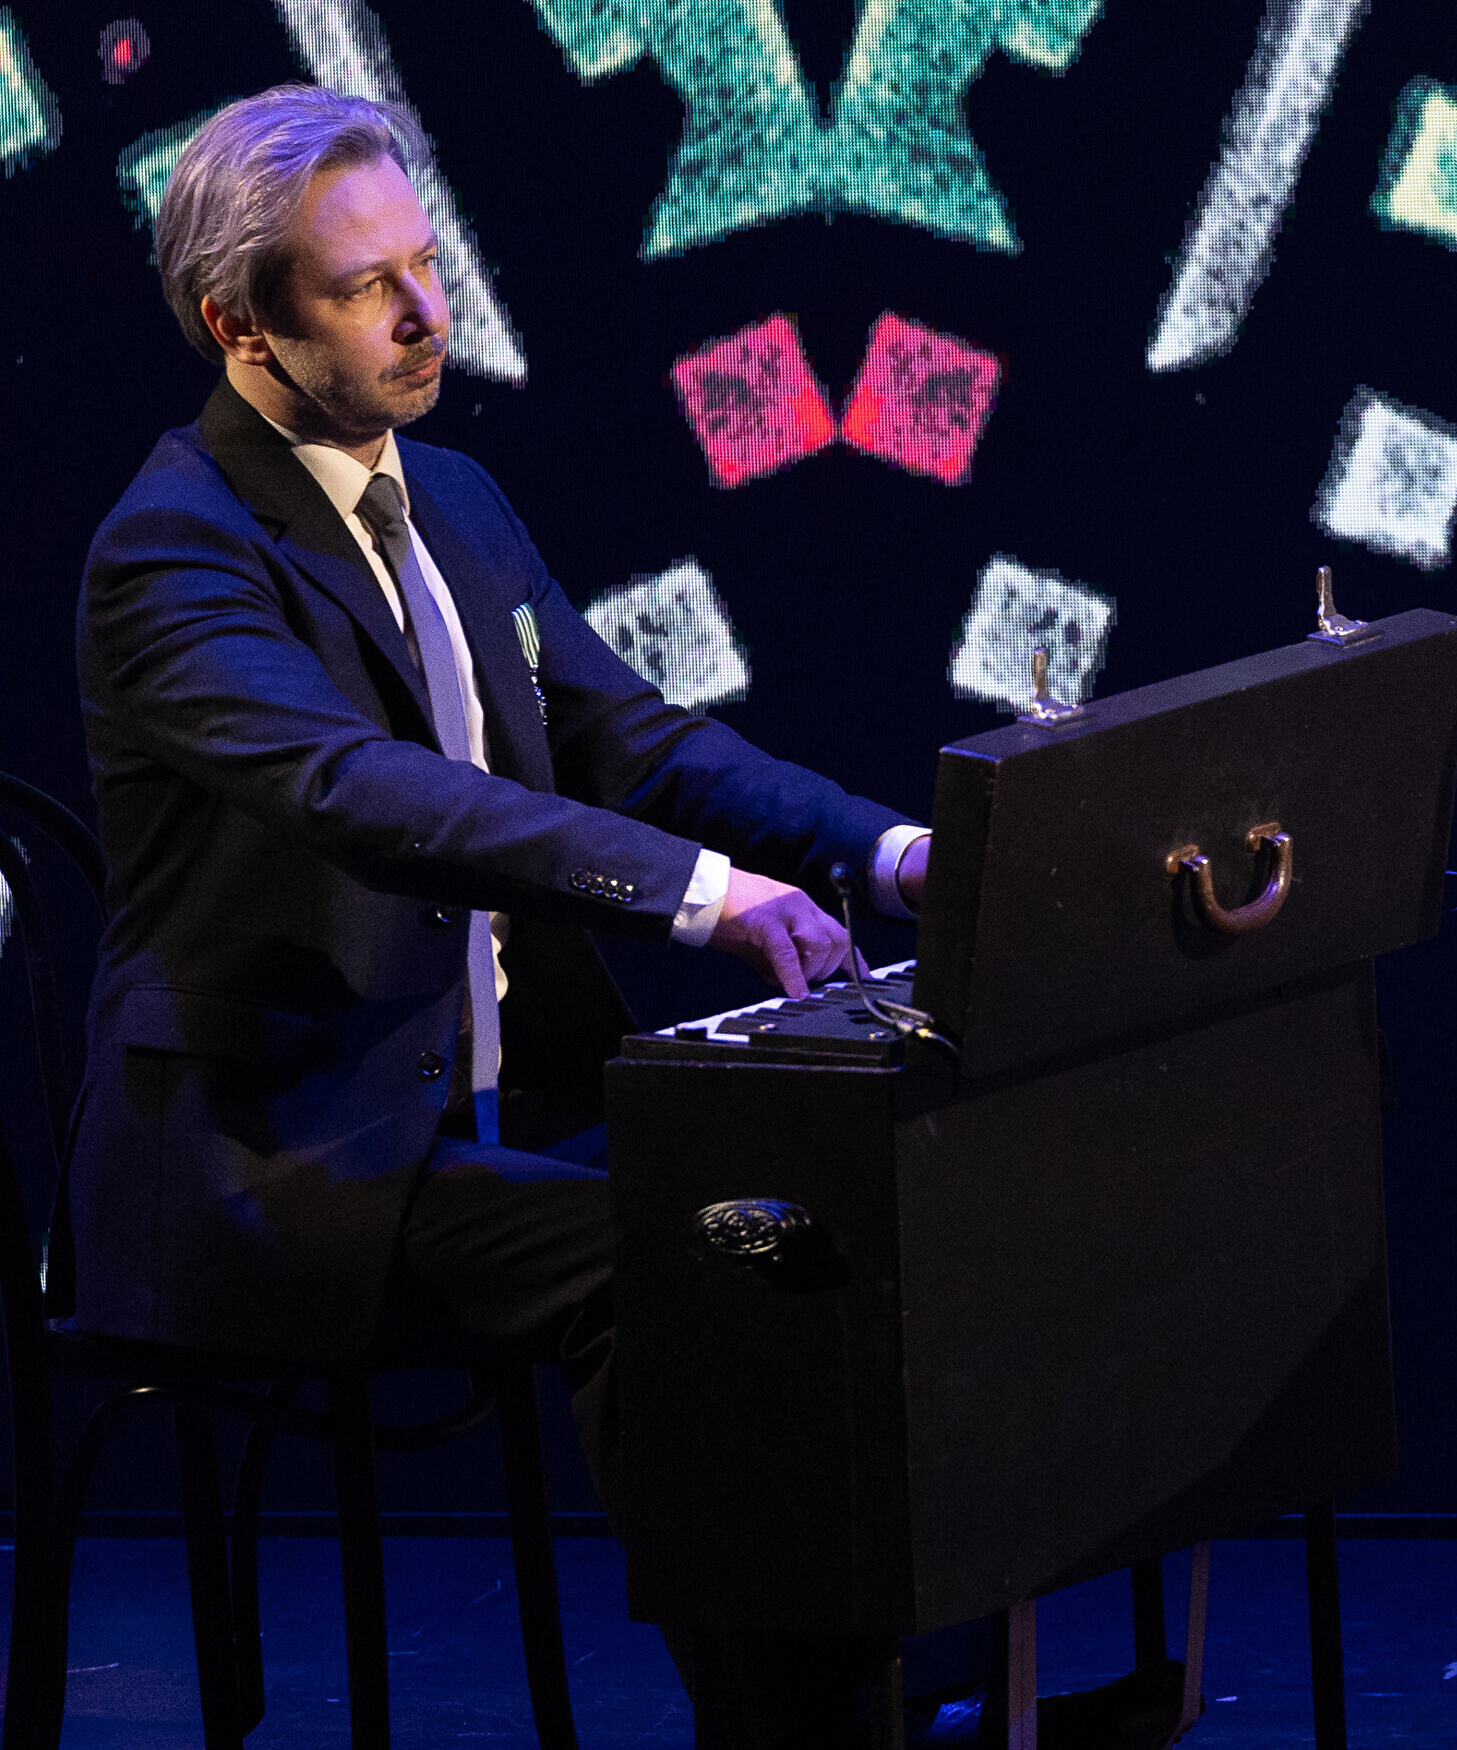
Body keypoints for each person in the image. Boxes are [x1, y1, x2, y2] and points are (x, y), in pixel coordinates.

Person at [74, 84, 922, 1746]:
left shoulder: (451, 498)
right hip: (284, 1157)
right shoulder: (173, 549)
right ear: (240, 325)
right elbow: (368, 795)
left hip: (487, 1127)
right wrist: (699, 900)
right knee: (661, 1261)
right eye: (362, 286)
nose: (425, 311)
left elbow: (632, 739)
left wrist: (883, 854)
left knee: (817, 1222)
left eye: (426, 263)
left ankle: (898, 1704)